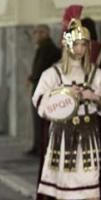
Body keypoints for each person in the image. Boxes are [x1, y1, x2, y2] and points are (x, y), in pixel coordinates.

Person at [33, 4, 101, 200]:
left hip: (88, 135)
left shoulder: (94, 73)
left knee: (91, 183)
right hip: (62, 136)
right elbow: (40, 102)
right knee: (62, 184)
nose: (81, 49)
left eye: (84, 44)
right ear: (68, 44)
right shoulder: (53, 73)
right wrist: (65, 95)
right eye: (77, 44)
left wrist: (93, 97)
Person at [27, 24, 62, 155]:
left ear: (44, 33)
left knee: (40, 120)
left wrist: (33, 77)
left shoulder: (48, 48)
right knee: (37, 120)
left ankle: (41, 147)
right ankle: (38, 146)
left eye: (37, 33)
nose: (35, 36)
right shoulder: (44, 47)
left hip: (43, 88)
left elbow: (41, 68)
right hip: (39, 85)